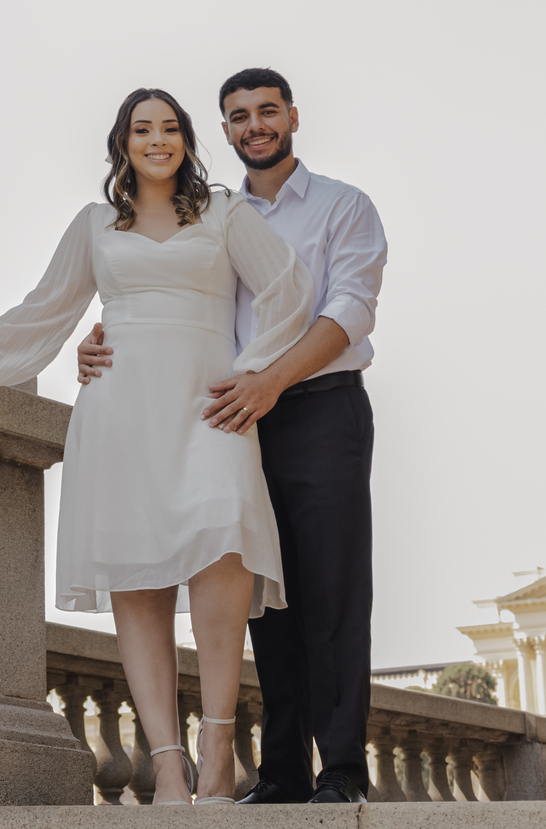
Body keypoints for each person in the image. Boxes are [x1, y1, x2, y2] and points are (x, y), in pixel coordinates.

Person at [0, 87, 314, 805]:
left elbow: (290, 288)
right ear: (123, 143)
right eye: (143, 129)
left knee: (225, 548)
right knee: (139, 581)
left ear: (186, 140)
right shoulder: (94, 225)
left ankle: (218, 746)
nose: (158, 140)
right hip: (120, 415)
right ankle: (170, 767)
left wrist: (251, 371)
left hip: (210, 411)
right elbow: (46, 308)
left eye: (170, 128)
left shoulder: (221, 210)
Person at [77, 67, 387, 805]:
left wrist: (268, 380)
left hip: (314, 407)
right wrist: (102, 338)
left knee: (331, 591)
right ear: (224, 130)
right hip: (223, 420)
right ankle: (280, 772)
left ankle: (340, 769)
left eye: (267, 112)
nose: (255, 125)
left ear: (293, 118)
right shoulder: (205, 213)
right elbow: (164, 299)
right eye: (239, 115)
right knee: (261, 602)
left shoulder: (345, 207)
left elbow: (349, 310)